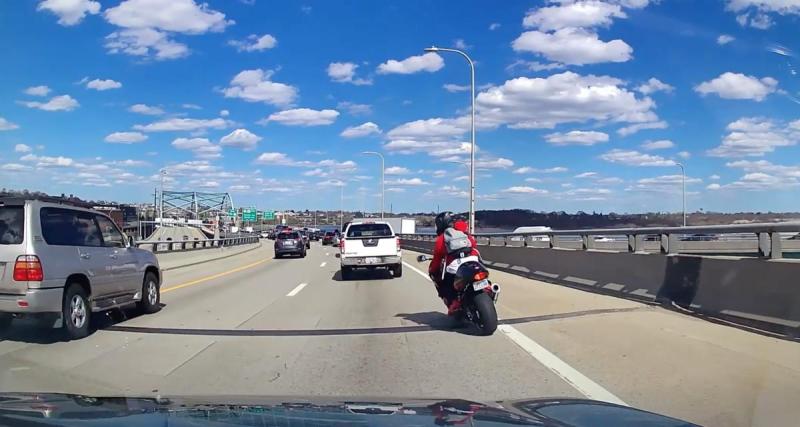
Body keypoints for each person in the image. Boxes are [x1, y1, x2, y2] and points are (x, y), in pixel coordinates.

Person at [428, 212, 478, 315]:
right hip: (473, 261)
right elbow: (473, 244)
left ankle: (454, 303)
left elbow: (437, 258)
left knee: (445, 283)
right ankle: (487, 288)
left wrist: (433, 270)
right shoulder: (462, 232)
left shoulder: (442, 238)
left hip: (456, 267)